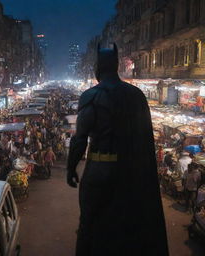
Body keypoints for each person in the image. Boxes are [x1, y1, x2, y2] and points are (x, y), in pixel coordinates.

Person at [67, 44, 168, 256]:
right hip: (130, 174)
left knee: (88, 224)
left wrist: (71, 168)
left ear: (98, 68)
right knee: (128, 225)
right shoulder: (137, 96)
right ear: (116, 66)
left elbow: (80, 139)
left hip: (99, 170)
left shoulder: (91, 96)